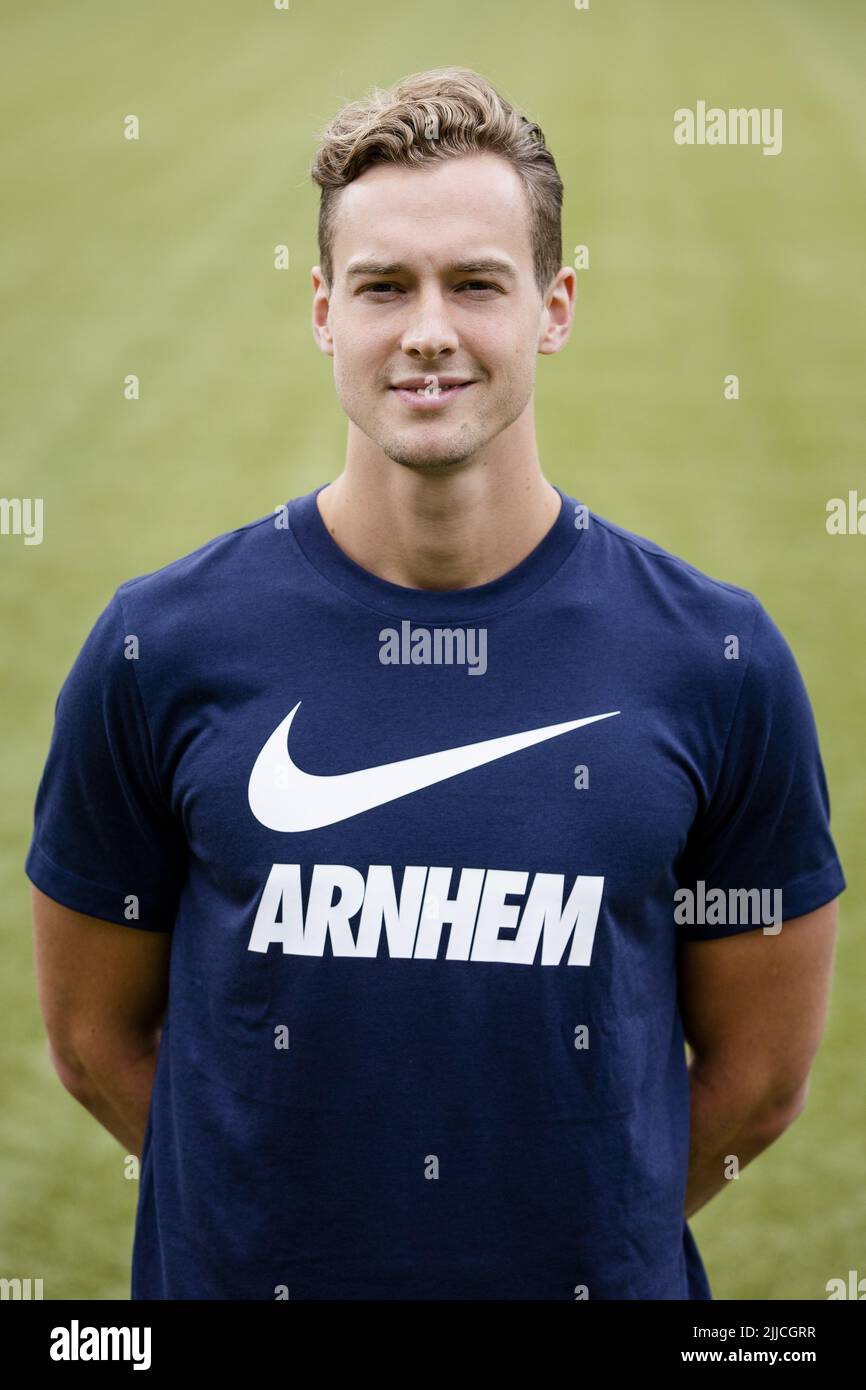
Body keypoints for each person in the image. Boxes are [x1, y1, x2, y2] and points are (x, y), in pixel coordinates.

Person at [26, 66, 845, 1300]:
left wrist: (550, 1238)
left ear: (553, 306)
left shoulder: (712, 661)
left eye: (474, 283)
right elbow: (94, 1042)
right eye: (381, 287)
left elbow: (761, 1075)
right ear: (320, 311)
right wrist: (283, 1219)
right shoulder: (160, 646)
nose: (425, 330)